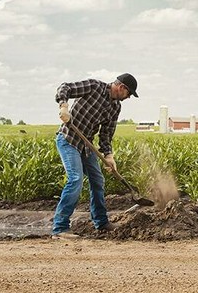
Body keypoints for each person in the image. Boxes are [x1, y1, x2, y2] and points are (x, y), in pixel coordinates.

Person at [51, 73, 138, 239]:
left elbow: (106, 134)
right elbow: (65, 87)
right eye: (129, 94)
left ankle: (101, 222)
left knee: (98, 180)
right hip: (68, 140)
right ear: (121, 88)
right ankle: (60, 228)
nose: (128, 98)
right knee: (75, 179)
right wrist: (63, 106)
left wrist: (109, 155)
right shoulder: (93, 87)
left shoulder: (115, 107)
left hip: (86, 147)